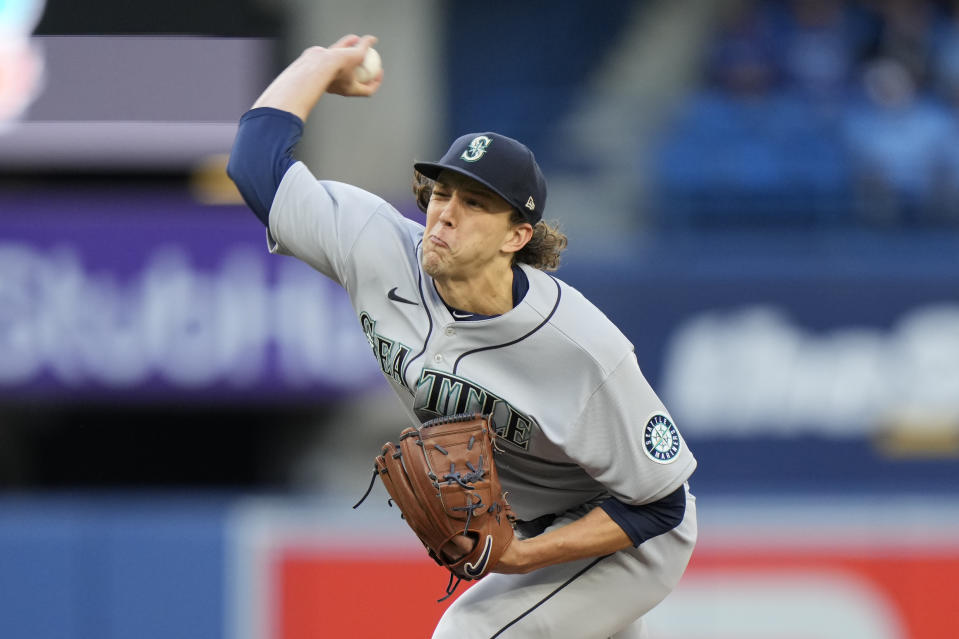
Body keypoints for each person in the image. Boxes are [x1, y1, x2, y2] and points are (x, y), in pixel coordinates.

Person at [227, 34, 698, 639]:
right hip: (535, 523)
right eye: (441, 192)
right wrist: (319, 65)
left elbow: (662, 505)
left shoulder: (580, 348)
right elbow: (254, 163)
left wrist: (521, 558)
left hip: (628, 538)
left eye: (474, 203)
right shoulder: (375, 245)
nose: (445, 212)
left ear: (516, 237)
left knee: (469, 633)